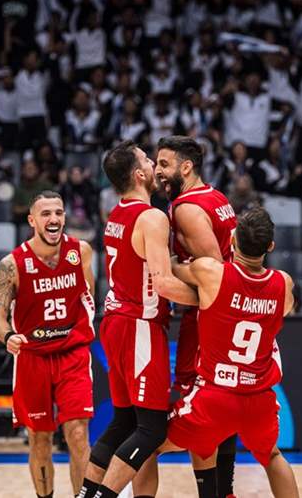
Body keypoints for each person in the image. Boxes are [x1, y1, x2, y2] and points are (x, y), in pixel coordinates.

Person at [76, 141, 197, 498]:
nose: (156, 167)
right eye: (148, 160)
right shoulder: (152, 217)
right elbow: (161, 282)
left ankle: (85, 493)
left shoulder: (117, 214)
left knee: (124, 420)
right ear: (139, 174)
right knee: (151, 429)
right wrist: (208, 299)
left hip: (116, 321)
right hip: (139, 324)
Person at [160, 206, 299, 498]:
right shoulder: (283, 283)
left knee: (148, 443)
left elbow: (173, 268)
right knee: (273, 457)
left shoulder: (211, 272)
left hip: (216, 396)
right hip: (259, 400)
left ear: (232, 238)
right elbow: (285, 309)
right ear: (270, 246)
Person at [0, 191, 96, 497]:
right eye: (46, 213)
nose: (54, 219)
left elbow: (88, 296)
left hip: (72, 353)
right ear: (32, 220)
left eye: (59, 213)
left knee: (77, 435)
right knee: (40, 438)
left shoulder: (82, 252)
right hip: (32, 356)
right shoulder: (12, 264)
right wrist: (8, 336)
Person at [153, 135, 239, 497]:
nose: (158, 172)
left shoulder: (186, 208)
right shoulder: (217, 197)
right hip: (226, 316)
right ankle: (226, 491)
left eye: (164, 164)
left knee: (198, 409)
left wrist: (173, 268)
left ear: (185, 167)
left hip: (208, 320)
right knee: (222, 408)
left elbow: (214, 275)